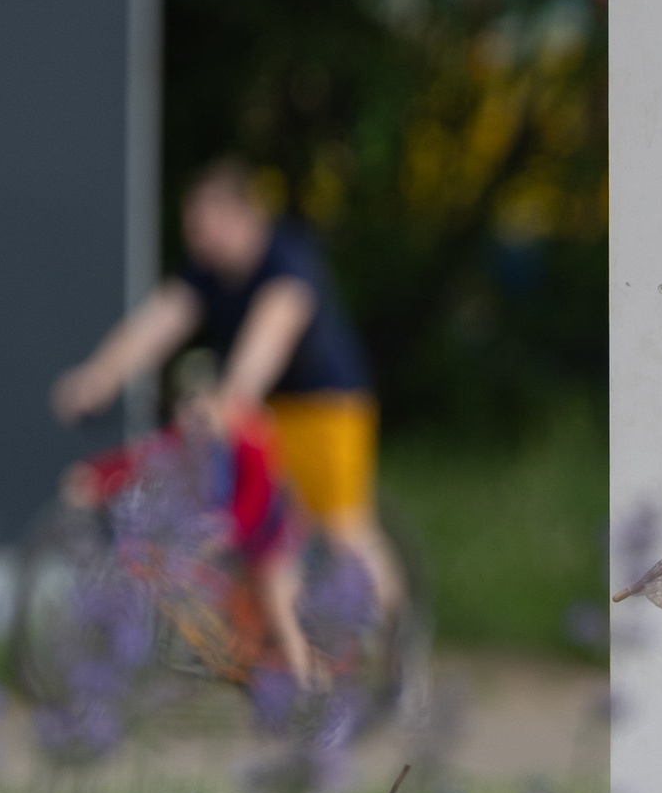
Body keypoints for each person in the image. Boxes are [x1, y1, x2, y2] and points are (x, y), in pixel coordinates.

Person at [51, 157, 404, 617]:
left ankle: (399, 650)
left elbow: (272, 330)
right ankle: (282, 652)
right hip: (259, 412)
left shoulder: (287, 260)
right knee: (259, 531)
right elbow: (159, 322)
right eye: (193, 230)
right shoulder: (207, 273)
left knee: (344, 529)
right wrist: (99, 377)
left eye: (205, 228)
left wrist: (233, 397)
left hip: (324, 405)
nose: (198, 242)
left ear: (243, 216)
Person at [63, 365, 314, 687]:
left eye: (204, 407)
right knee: (190, 588)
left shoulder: (248, 443)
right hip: (221, 545)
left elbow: (257, 497)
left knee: (278, 603)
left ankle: (307, 683)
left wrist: (228, 528)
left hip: (269, 540)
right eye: (187, 409)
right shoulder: (184, 441)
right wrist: (96, 478)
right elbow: (142, 460)